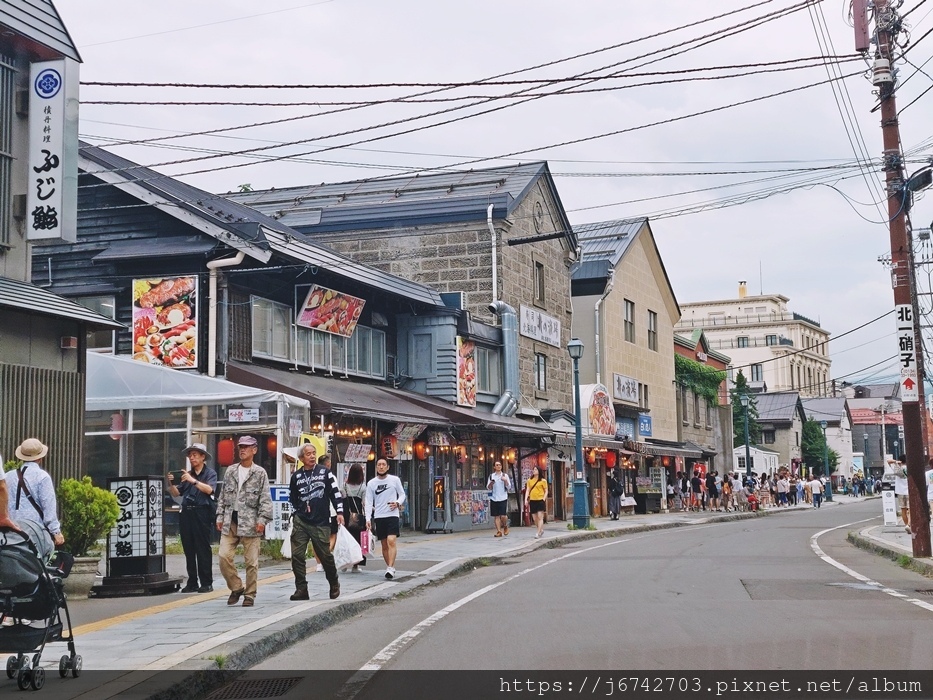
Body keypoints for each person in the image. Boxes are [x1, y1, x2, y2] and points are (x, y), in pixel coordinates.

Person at [216, 435, 273, 607]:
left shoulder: (260, 473)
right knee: (223, 556)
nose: (242, 449)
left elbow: (265, 500)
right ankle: (236, 587)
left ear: (254, 450)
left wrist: (262, 520)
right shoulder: (231, 471)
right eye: (240, 446)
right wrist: (219, 516)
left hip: (251, 523)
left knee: (251, 562)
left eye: (247, 447)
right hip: (230, 521)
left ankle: (250, 595)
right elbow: (223, 496)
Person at [288, 444, 342, 601]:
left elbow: (335, 493)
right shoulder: (296, 476)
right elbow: (292, 498)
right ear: (301, 458)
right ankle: (301, 588)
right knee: (297, 555)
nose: (312, 456)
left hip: (321, 521)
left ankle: (334, 583)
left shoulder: (325, 473)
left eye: (313, 453)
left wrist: (339, 512)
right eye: (308, 454)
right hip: (301, 521)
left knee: (325, 555)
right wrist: (295, 513)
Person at [167, 443, 217, 593]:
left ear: (203, 457)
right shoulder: (186, 475)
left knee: (203, 548)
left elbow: (209, 489)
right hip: (186, 512)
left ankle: (207, 582)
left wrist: (192, 480)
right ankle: (192, 581)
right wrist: (171, 482)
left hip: (202, 512)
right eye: (190, 455)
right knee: (189, 548)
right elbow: (176, 494)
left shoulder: (210, 473)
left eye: (196, 454)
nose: (192, 457)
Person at [4, 438, 64, 546]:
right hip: (35, 532)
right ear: (40, 457)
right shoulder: (42, 477)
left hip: (10, 532)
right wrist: (56, 532)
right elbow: (48, 506)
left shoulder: (8, 476)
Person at [366, 458, 406, 580]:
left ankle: (390, 567)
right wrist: (368, 519)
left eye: (384, 465)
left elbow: (402, 494)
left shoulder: (394, 480)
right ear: (376, 467)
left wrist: (397, 502)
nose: (381, 467)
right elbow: (368, 502)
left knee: (391, 540)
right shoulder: (371, 483)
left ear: (388, 467)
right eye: (379, 465)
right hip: (379, 515)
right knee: (384, 544)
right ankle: (390, 567)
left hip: (392, 515)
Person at [341, 464, 368, 572]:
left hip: (346, 515)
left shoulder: (344, 486)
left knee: (346, 539)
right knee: (358, 540)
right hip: (358, 516)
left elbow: (341, 498)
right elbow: (364, 503)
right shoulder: (363, 486)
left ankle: (344, 563)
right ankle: (356, 565)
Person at [487, 461, 512, 536]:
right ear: (494, 467)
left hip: (503, 497)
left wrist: (505, 481)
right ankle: (499, 531)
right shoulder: (491, 476)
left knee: (503, 515)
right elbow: (488, 487)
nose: (498, 466)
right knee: (496, 516)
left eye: (500, 465)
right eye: (497, 465)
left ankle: (505, 526)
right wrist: (491, 483)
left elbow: (509, 487)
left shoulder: (505, 475)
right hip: (494, 497)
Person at [524, 465, 548, 538]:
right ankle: (540, 529)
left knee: (540, 517)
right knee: (534, 518)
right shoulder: (529, 480)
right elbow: (528, 490)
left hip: (540, 500)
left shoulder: (543, 481)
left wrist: (544, 498)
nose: (534, 471)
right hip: (532, 500)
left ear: (539, 471)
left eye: (536, 470)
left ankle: (537, 533)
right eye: (533, 469)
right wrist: (526, 499)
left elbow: (546, 490)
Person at [892, 458, 910, 533]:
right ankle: (909, 525)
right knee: (910, 510)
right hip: (909, 492)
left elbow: (888, 461)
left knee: (903, 510)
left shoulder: (897, 468)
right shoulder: (910, 468)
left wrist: (896, 462)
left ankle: (906, 525)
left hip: (900, 492)